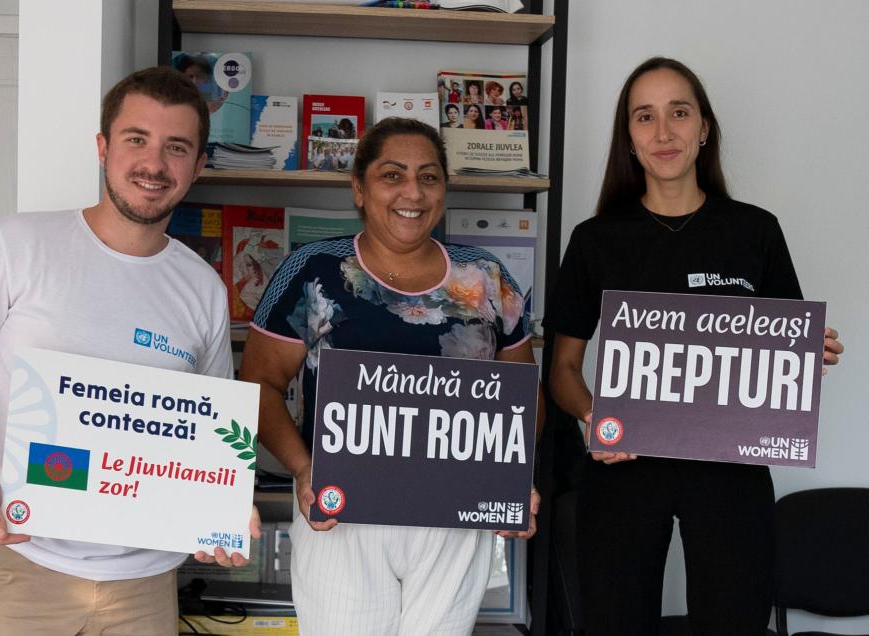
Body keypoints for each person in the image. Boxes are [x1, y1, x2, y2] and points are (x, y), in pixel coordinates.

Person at [0, 66, 260, 635]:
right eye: (136, 140)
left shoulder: (203, 288)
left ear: (197, 166)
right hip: (16, 562)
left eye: (176, 148)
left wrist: (224, 508)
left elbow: (211, 431)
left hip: (144, 583)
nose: (153, 164)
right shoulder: (18, 246)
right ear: (103, 147)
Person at [545, 57, 844, 636]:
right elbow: (562, 367)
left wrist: (806, 356)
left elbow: (782, 358)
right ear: (627, 138)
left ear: (704, 127)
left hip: (730, 471)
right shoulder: (595, 240)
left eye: (679, 113)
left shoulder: (754, 231)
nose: (663, 133)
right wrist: (591, 412)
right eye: (645, 117)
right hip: (623, 468)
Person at [239, 117, 542, 635]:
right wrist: (302, 469)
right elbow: (258, 387)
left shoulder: (486, 276)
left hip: (452, 514)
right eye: (392, 175)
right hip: (340, 513)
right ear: (359, 187)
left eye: (429, 177)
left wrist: (510, 476)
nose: (413, 193)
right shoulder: (313, 270)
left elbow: (522, 397)